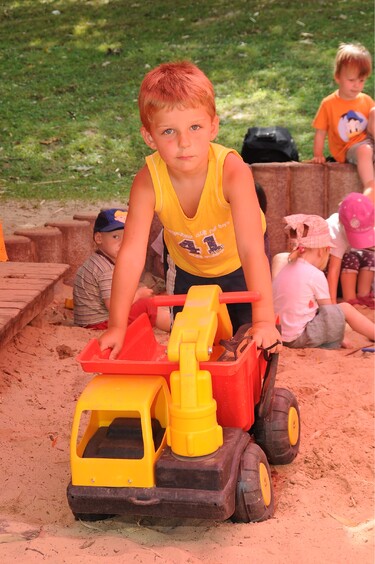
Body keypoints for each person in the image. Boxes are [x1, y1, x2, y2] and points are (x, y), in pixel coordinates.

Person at [99, 61, 282, 359]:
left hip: (240, 265)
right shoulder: (148, 181)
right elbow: (132, 252)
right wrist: (117, 325)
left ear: (213, 126)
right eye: (168, 131)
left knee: (251, 344)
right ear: (149, 137)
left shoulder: (232, 172)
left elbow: (251, 248)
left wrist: (263, 320)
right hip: (188, 270)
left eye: (195, 127)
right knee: (189, 347)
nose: (184, 143)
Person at [272, 214, 375, 349]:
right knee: (345, 309)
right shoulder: (315, 274)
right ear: (322, 251)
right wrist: (340, 336)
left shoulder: (285, 268)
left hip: (279, 335)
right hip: (298, 338)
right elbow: (329, 312)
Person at [73, 208, 170, 332]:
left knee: (148, 301)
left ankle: (169, 316)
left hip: (96, 320)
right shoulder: (106, 270)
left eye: (127, 236)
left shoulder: (100, 261)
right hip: (101, 323)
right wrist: (138, 295)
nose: (122, 242)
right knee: (147, 306)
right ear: (99, 238)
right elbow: (113, 306)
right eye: (116, 237)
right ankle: (178, 327)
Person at [311, 43, 375, 202]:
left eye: (361, 80)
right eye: (352, 80)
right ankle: (370, 186)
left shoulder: (366, 99)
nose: (357, 85)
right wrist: (318, 155)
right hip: (349, 148)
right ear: (338, 76)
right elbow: (320, 131)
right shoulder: (329, 104)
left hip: (369, 140)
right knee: (365, 151)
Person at [326, 192, 374, 309]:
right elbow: (333, 270)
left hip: (349, 269)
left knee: (369, 257)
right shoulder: (334, 231)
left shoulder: (366, 219)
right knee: (351, 258)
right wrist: (331, 304)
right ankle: (350, 301)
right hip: (329, 275)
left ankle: (364, 298)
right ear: (342, 223)